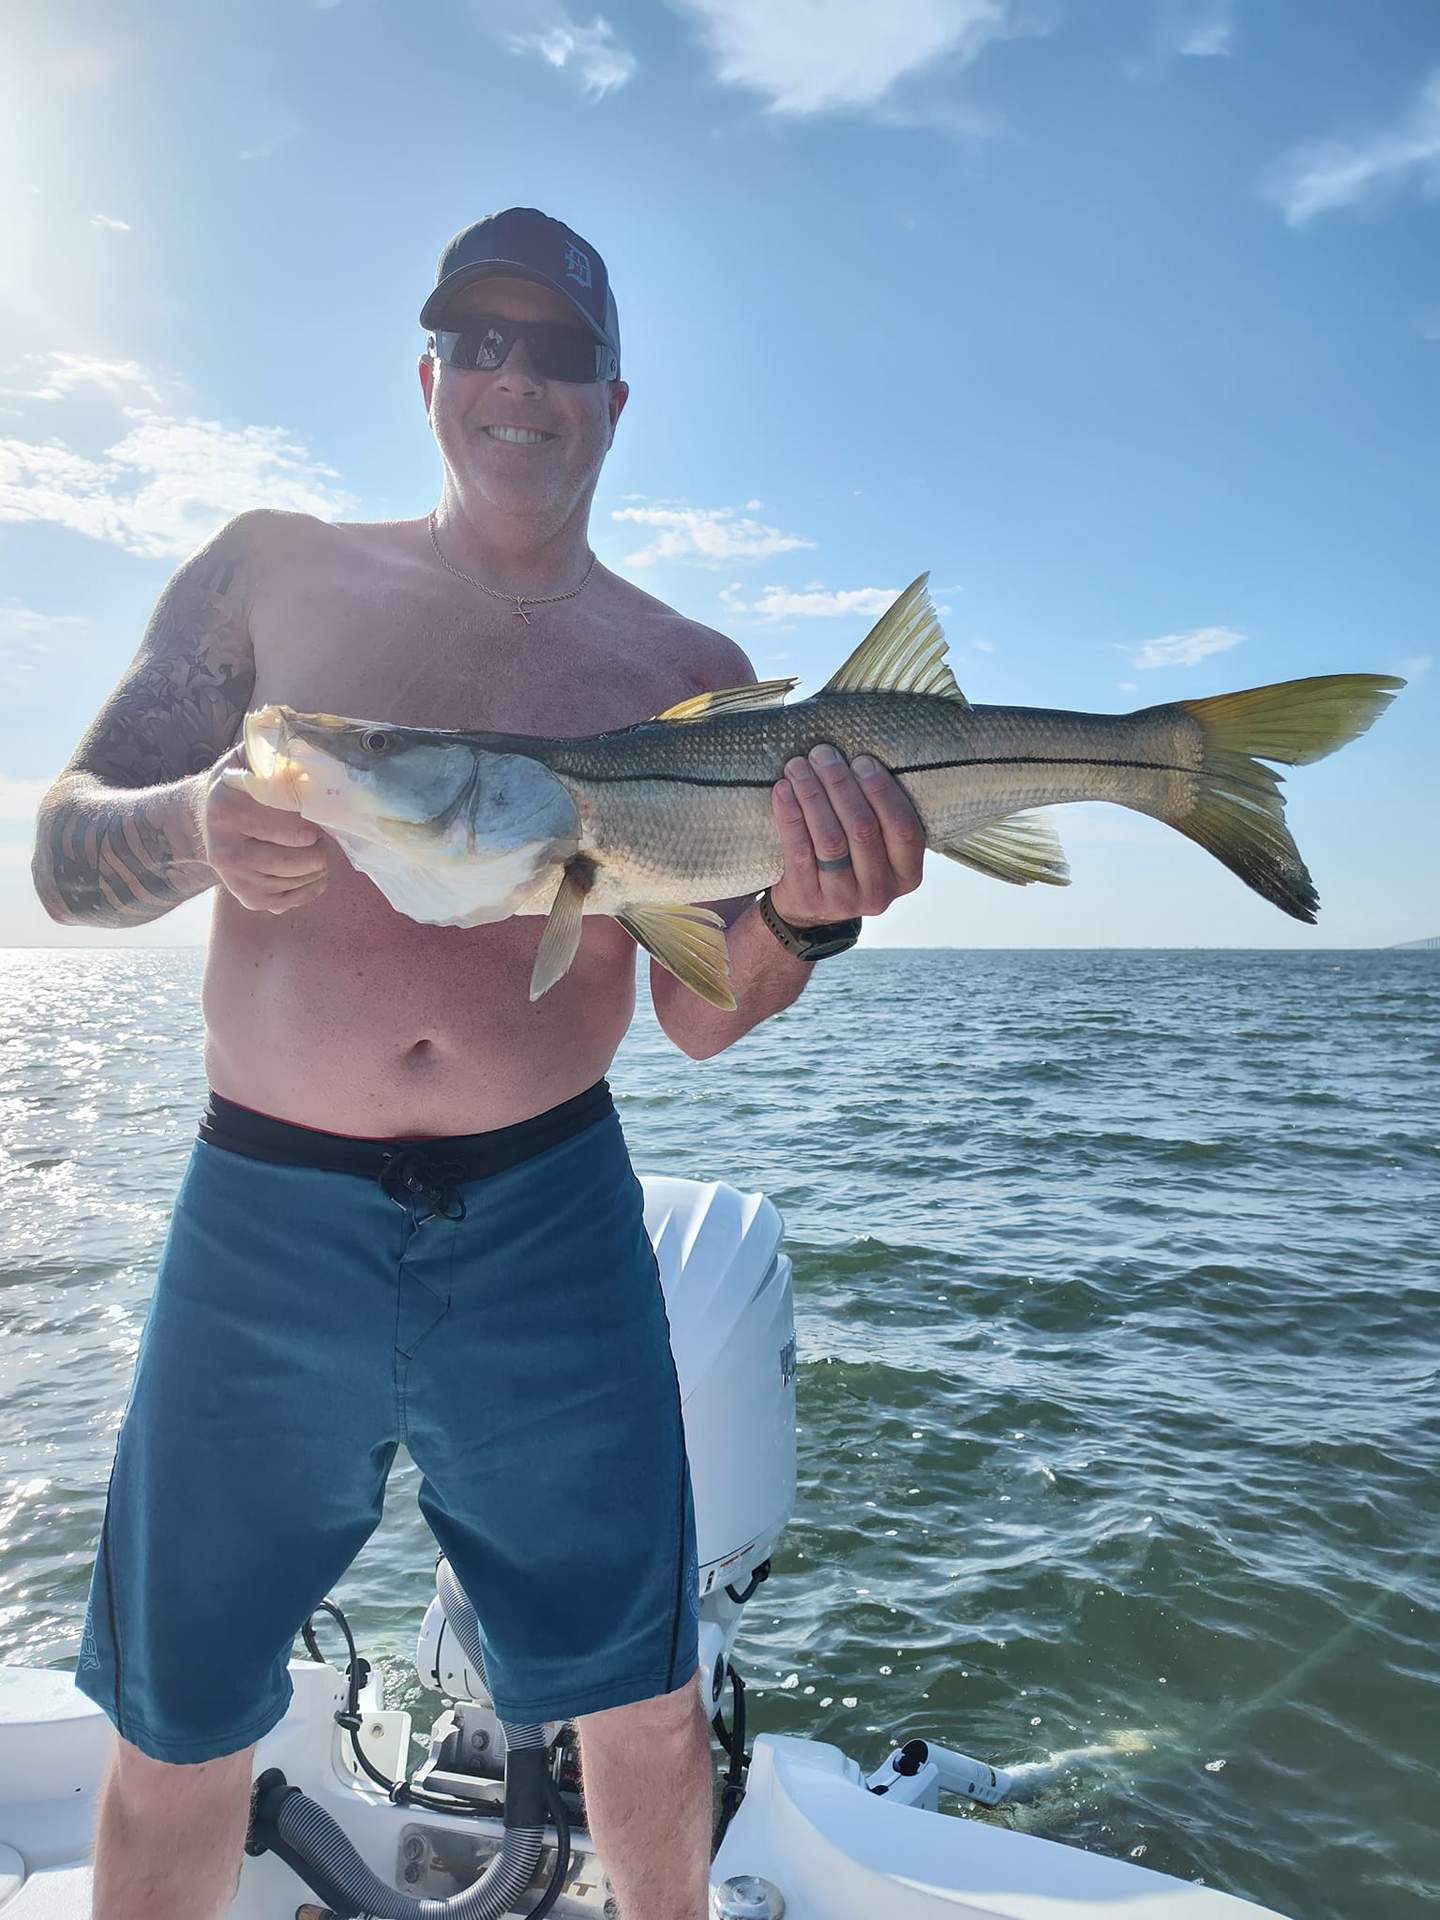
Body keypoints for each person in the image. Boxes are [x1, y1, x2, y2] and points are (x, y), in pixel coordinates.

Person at [31, 207, 925, 1920]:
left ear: (612, 398)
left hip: (549, 1208)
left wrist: (810, 927)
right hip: (266, 1206)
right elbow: (64, 851)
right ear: (430, 373)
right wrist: (195, 823)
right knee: (179, 1711)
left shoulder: (693, 679)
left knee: (644, 1694)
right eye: (483, 341)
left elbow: (700, 1011)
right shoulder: (271, 572)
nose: (520, 378)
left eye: (561, 351)